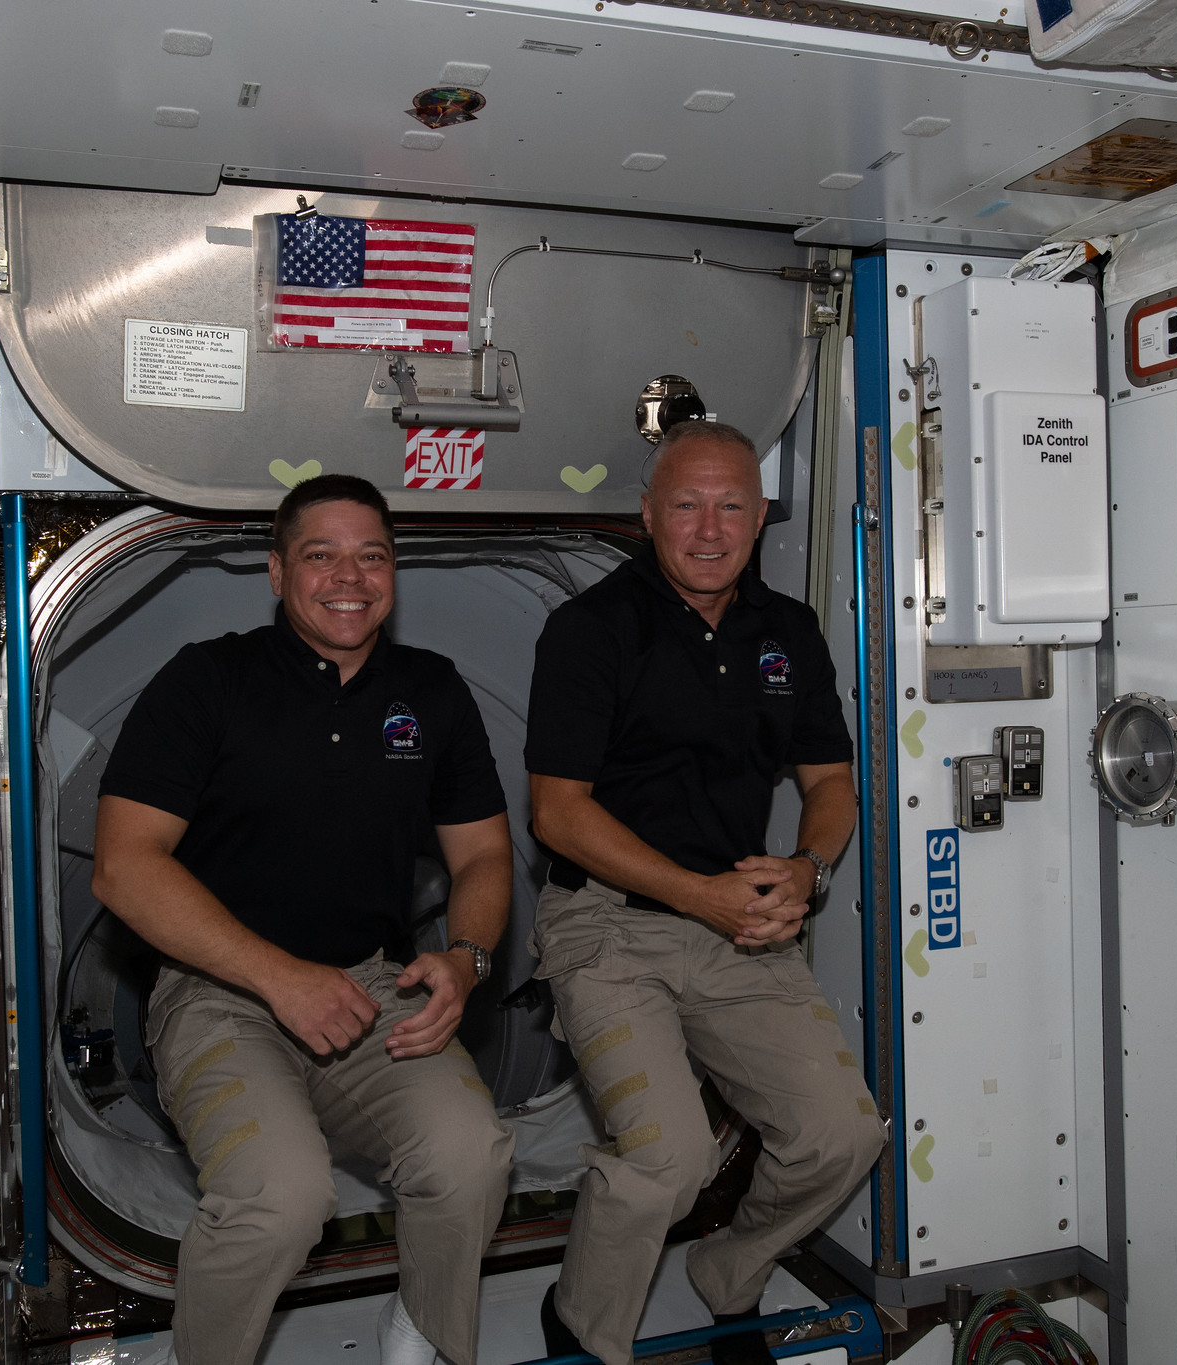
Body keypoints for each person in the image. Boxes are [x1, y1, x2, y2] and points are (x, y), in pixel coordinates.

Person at [92, 474, 515, 1365]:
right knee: (280, 1194)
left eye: (372, 555)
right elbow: (125, 868)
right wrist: (279, 978)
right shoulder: (209, 680)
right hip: (218, 993)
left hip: (370, 983)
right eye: (321, 554)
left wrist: (467, 959)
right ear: (278, 572)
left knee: (470, 1154)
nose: (349, 576)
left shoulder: (431, 692)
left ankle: (423, 1338)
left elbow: (481, 857)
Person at [523, 422, 886, 1365]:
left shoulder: (787, 633)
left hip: (740, 920)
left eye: (733, 505)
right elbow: (558, 815)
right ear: (649, 516)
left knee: (842, 1135)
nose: (711, 527)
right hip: (608, 922)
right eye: (686, 504)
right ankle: (582, 1325)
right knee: (668, 1158)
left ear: (763, 516)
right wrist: (697, 895)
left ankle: (730, 1274)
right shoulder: (592, 630)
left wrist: (806, 870)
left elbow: (831, 782)